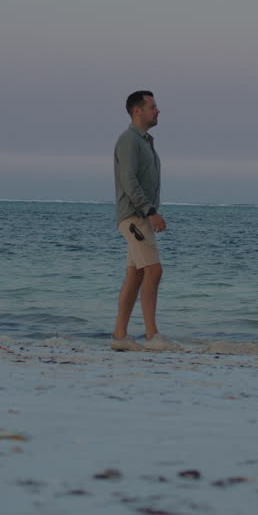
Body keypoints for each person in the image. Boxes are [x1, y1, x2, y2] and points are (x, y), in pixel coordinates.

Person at [111, 90, 177, 351]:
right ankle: (152, 335)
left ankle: (119, 336)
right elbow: (129, 180)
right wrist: (150, 211)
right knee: (154, 270)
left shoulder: (145, 141)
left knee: (136, 273)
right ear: (137, 111)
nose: (157, 111)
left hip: (140, 216)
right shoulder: (129, 140)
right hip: (135, 216)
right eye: (153, 106)